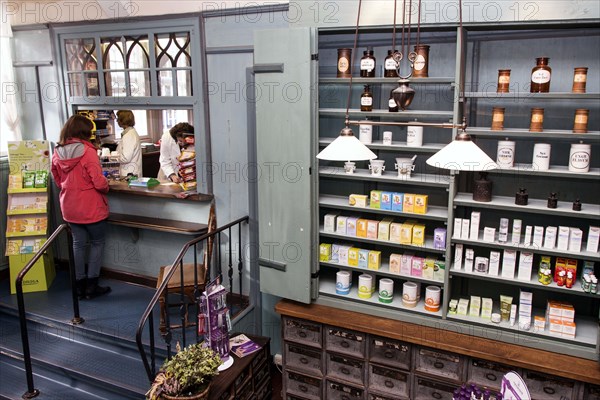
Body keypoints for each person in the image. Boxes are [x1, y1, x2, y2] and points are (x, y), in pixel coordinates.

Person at [51, 115, 111, 299]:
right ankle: (92, 286)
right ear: (84, 132)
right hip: (90, 206)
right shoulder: (87, 151)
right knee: (97, 243)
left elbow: (57, 179)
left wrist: (70, 188)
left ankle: (79, 285)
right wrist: (106, 185)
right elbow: (99, 182)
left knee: (78, 244)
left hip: (69, 205)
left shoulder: (57, 151)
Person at [115, 110, 142, 177]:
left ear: (122, 120)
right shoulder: (130, 133)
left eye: (118, 119)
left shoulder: (129, 135)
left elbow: (125, 158)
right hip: (131, 172)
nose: (116, 121)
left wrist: (112, 157)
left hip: (129, 174)